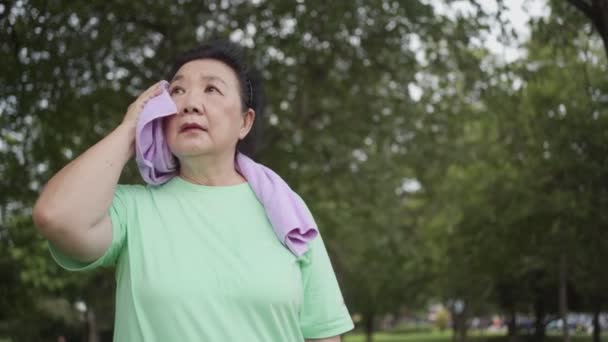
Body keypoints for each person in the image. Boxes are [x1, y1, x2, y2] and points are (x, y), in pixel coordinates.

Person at [33, 40, 354, 342]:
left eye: (212, 89)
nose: (190, 104)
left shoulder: (288, 213)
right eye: (177, 91)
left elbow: (324, 333)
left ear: (245, 121)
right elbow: (56, 217)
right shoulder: (133, 209)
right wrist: (130, 128)